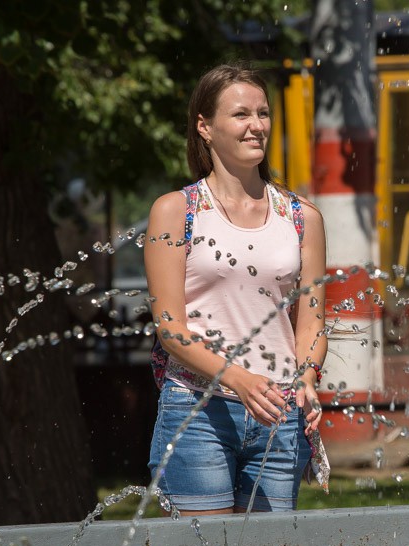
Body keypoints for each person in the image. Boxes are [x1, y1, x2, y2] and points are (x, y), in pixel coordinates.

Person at [145, 64, 328, 515]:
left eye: (263, 113)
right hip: (198, 412)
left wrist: (306, 377)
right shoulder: (177, 211)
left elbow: (313, 324)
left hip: (278, 415)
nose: (257, 126)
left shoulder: (303, 217)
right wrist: (239, 379)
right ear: (205, 127)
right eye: (242, 114)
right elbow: (170, 329)